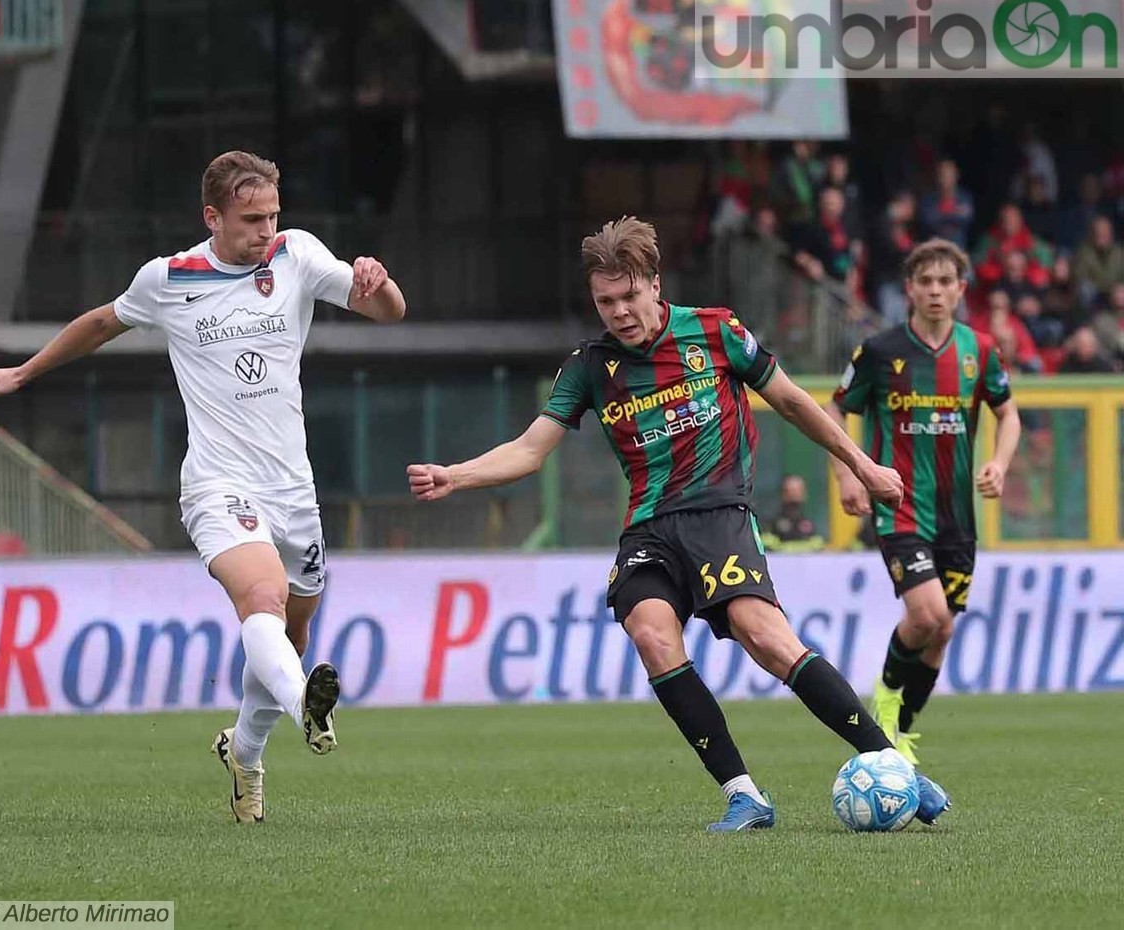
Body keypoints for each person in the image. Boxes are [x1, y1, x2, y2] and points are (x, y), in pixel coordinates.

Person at [407, 217, 950, 832]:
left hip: (719, 514)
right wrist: (458, 475)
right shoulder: (590, 365)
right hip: (648, 530)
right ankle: (744, 794)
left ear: (655, 284)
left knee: (764, 636)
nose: (618, 312)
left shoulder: (716, 332)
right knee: (651, 635)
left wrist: (861, 464)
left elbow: (795, 403)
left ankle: (888, 763)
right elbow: (531, 449)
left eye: (629, 297)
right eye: (605, 302)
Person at [0, 151, 407, 823]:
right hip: (217, 482)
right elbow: (99, 323)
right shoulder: (169, 278)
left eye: (272, 215)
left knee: (291, 630)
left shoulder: (296, 255)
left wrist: (377, 284)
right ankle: (306, 707)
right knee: (261, 596)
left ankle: (244, 750)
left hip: (293, 487)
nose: (265, 230)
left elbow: (389, 311)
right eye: (250, 219)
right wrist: (24, 373)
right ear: (212, 217)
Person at [826, 238, 1021, 766]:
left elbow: (1008, 413)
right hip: (901, 508)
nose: (935, 291)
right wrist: (848, 474)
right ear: (909, 289)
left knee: (943, 631)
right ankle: (885, 702)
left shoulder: (978, 351)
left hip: (958, 515)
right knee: (927, 612)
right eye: (925, 282)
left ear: (960, 290)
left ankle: (901, 735)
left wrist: (999, 465)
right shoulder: (881, 351)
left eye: (945, 283)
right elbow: (838, 408)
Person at [763, 474, 824, 552]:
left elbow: (818, 545)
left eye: (798, 490)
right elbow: (767, 545)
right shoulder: (772, 522)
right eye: (790, 490)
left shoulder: (809, 523)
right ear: (783, 493)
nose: (794, 494)